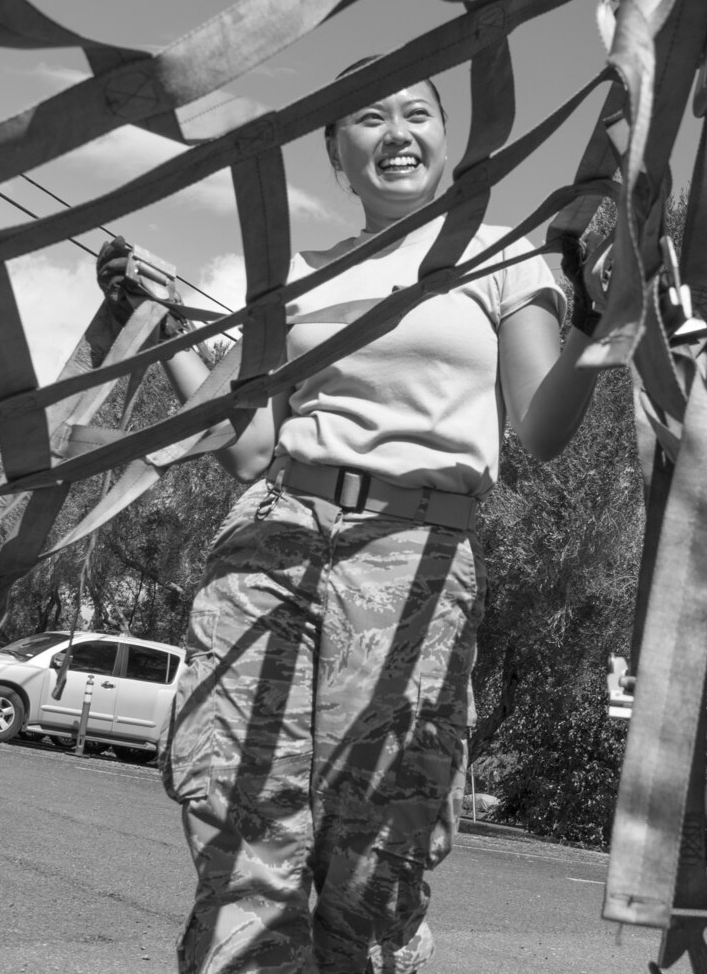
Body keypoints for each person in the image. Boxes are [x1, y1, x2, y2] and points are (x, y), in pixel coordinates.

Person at [96, 67, 604, 974]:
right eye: (369, 118)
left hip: (413, 557)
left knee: (378, 848)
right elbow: (249, 446)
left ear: (450, 137)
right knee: (243, 829)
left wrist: (610, 330)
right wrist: (164, 317)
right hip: (273, 537)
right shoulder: (295, 278)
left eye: (418, 112)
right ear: (337, 154)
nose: (397, 132)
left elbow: (544, 428)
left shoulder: (502, 257)